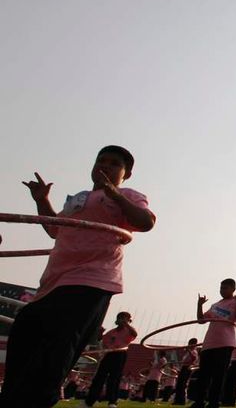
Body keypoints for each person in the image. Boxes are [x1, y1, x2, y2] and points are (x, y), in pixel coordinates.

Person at [0, 146, 156, 408]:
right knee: (25, 332)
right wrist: (42, 200)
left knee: (58, 347)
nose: (104, 166)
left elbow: (145, 222)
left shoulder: (128, 195)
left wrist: (115, 195)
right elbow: (54, 229)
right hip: (52, 283)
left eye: (114, 164)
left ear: (126, 174)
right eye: (100, 160)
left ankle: (39, 399)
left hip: (91, 280)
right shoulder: (78, 199)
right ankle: (11, 398)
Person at [192, 278, 236, 408]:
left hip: (225, 343)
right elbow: (201, 320)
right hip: (209, 343)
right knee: (204, 375)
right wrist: (199, 305)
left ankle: (213, 402)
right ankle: (199, 401)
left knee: (219, 375)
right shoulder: (215, 305)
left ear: (233, 289)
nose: (222, 291)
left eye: (225, 288)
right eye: (221, 288)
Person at [83, 311, 138, 408]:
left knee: (114, 378)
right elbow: (102, 341)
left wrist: (126, 324)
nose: (122, 320)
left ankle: (112, 401)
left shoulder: (128, 331)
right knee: (99, 378)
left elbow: (134, 334)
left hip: (120, 354)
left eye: (125, 318)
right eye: (121, 318)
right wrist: (100, 333)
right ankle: (89, 401)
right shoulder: (111, 332)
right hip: (109, 355)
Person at [172, 338, 199, 405]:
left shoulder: (194, 351)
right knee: (179, 384)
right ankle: (177, 400)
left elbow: (193, 358)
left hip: (187, 368)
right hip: (184, 368)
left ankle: (181, 400)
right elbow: (184, 361)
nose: (189, 344)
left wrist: (189, 351)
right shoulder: (188, 352)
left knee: (182, 384)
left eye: (190, 343)